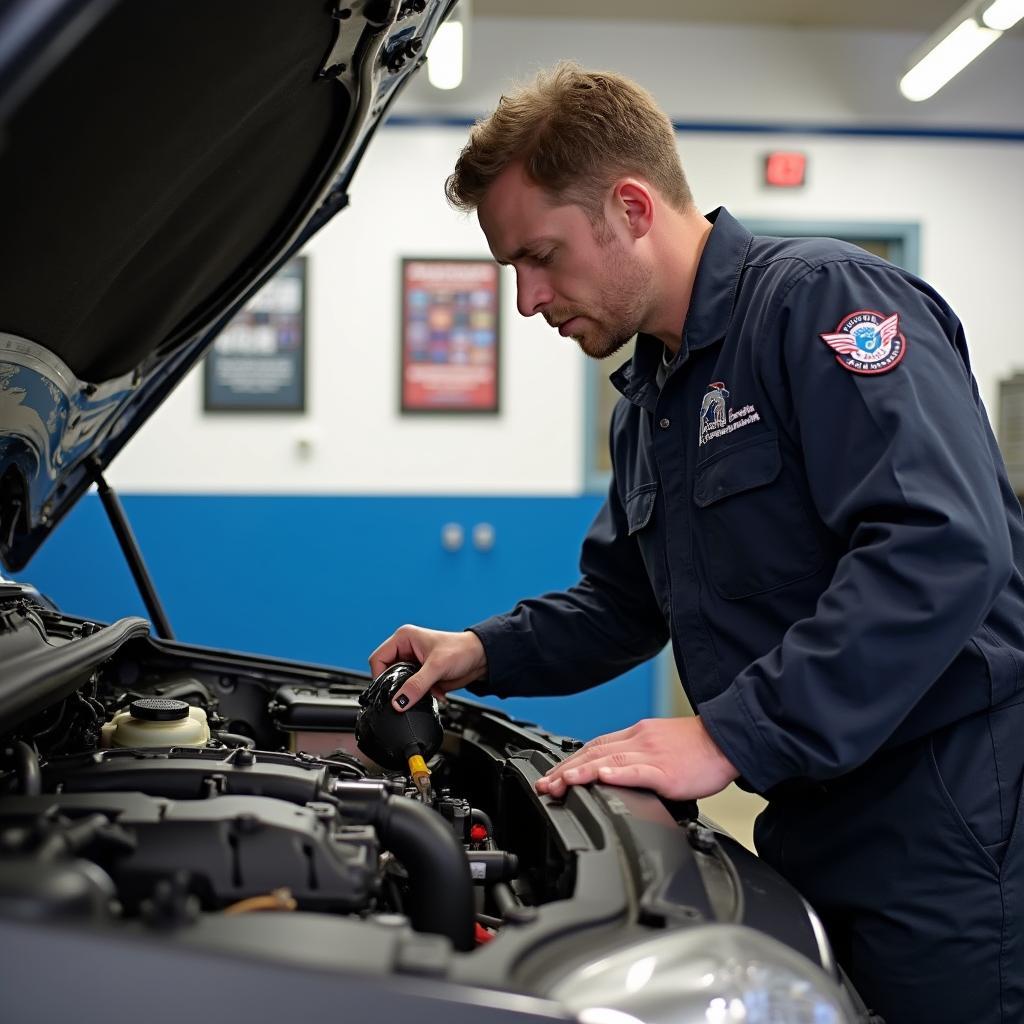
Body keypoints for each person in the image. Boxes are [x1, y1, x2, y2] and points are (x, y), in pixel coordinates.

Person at [369, 63, 1024, 1023]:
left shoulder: (820, 305)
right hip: (813, 818)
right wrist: (480, 649)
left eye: (540, 255)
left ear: (631, 207)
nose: (526, 300)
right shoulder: (652, 406)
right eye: (513, 267)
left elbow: (940, 546)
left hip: (952, 825)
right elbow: (625, 603)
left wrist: (725, 733)